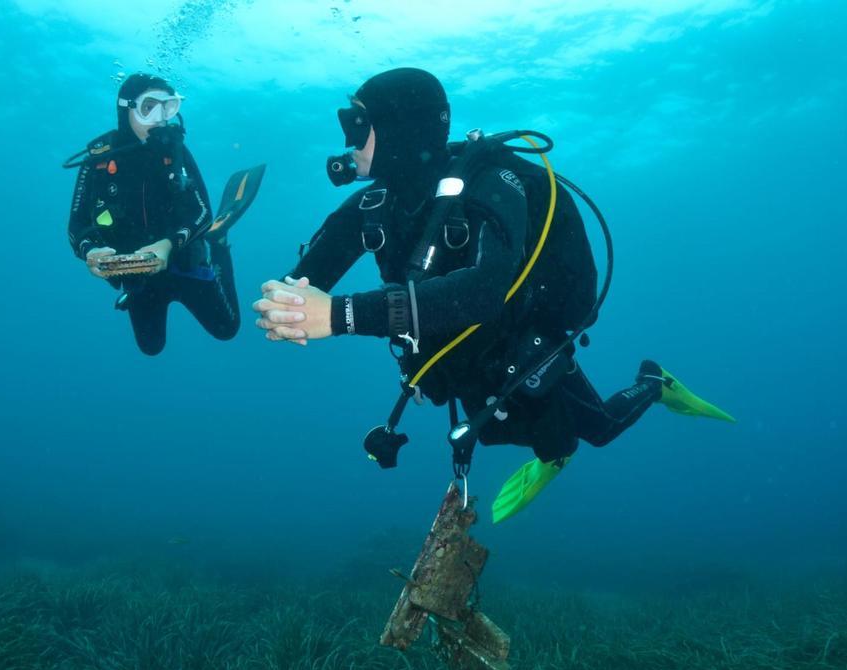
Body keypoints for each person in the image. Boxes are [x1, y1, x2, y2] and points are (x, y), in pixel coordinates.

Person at [252, 68, 733, 522]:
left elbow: (484, 293)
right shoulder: (373, 204)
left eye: (357, 125)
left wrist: (340, 315)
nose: (347, 141)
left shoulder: (493, 184)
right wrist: (285, 305)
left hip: (523, 342)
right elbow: (306, 280)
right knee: (518, 433)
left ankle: (655, 382)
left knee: (596, 431)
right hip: (460, 350)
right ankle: (552, 451)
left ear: (400, 129)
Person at [66, 73, 265, 355]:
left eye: (168, 107)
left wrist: (167, 244)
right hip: (140, 277)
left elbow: (203, 212)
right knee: (151, 347)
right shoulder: (98, 159)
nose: (160, 119)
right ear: (126, 109)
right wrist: (90, 252)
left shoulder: (175, 150)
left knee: (227, 329)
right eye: (149, 107)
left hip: (187, 264)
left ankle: (218, 242)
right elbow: (77, 224)